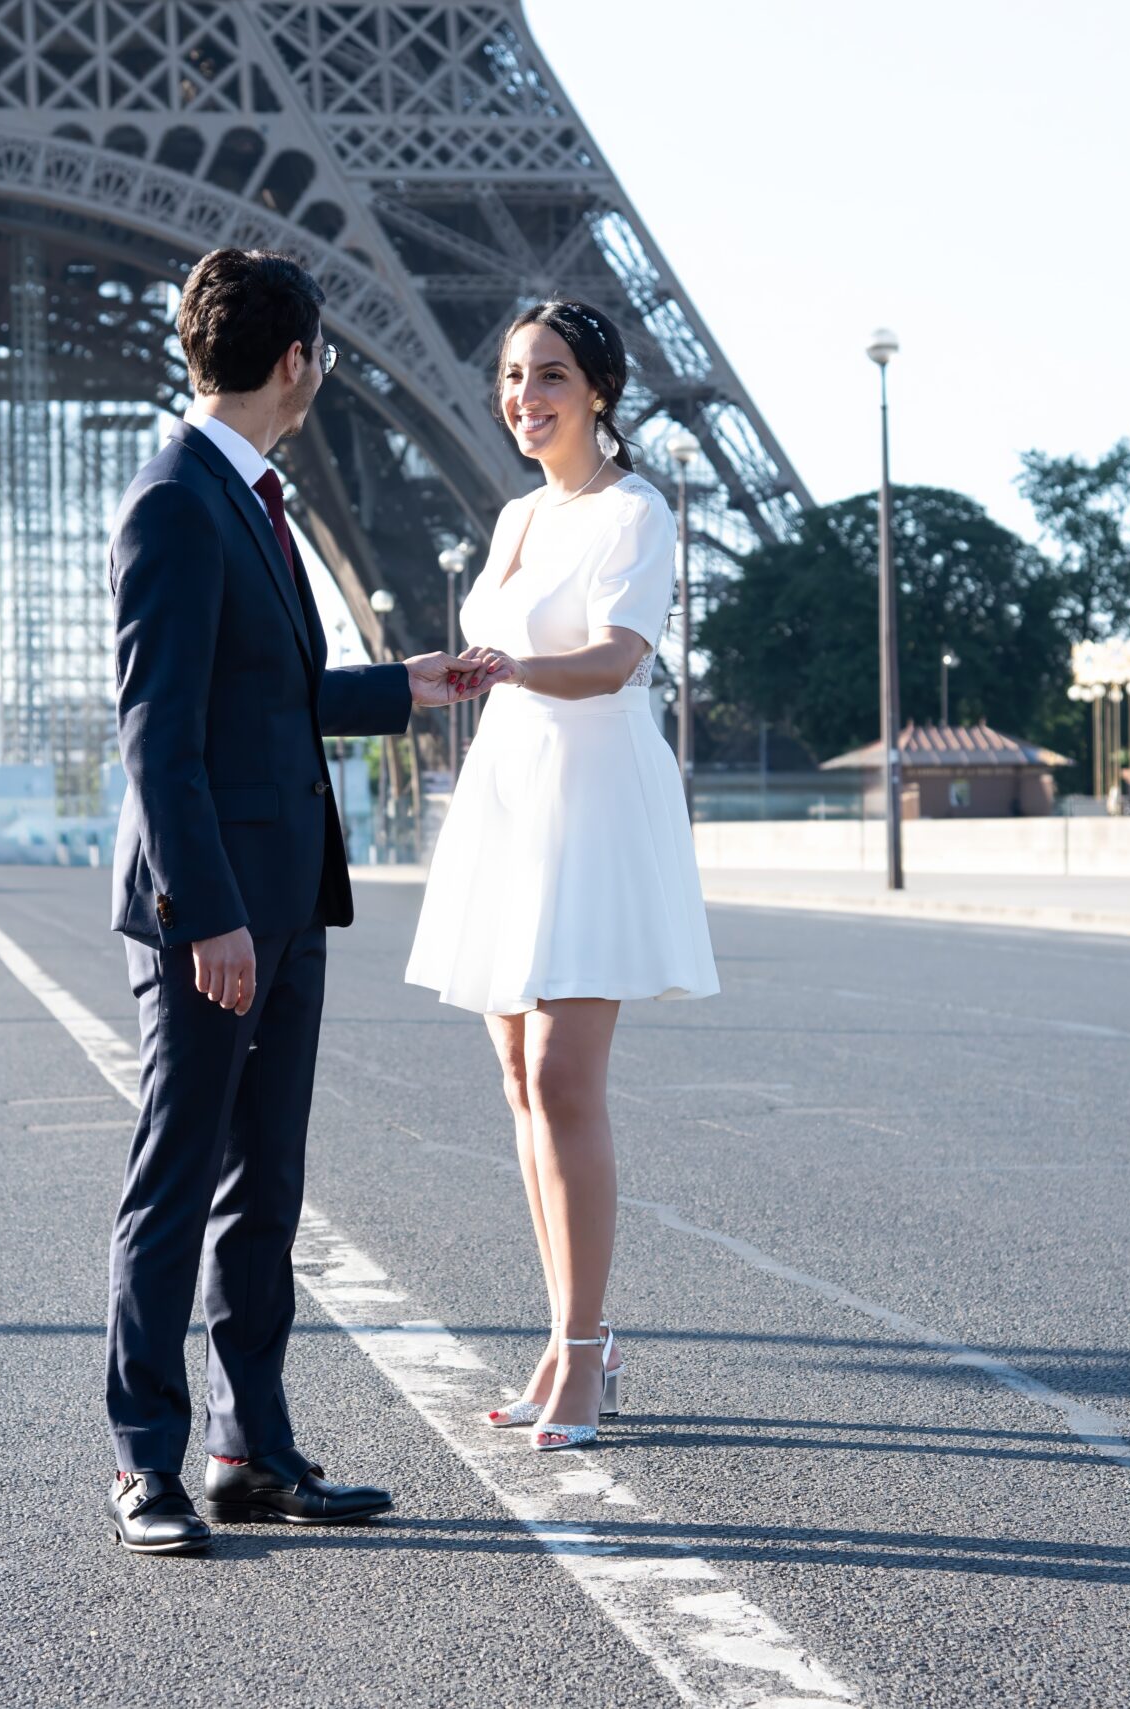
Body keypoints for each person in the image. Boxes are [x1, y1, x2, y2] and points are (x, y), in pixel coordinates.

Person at [102, 247, 489, 1555]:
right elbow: (156, 733)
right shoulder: (176, 501)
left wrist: (402, 684)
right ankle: (145, 1461)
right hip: (213, 911)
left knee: (266, 1186)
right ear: (296, 362)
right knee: (176, 1183)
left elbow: (261, 692)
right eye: (320, 356)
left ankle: (248, 1447)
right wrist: (205, 910)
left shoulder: (241, 495)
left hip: (284, 896)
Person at [404, 300, 719, 1451]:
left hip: (590, 799)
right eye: (510, 375)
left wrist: (507, 668)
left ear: (598, 390)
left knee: (562, 1073)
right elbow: (514, 656)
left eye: (548, 375)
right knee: (516, 1078)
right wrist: (461, 675)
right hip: (511, 788)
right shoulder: (517, 515)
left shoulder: (636, 511)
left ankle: (584, 1350)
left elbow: (616, 659)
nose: (522, 397)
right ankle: (566, 1332)